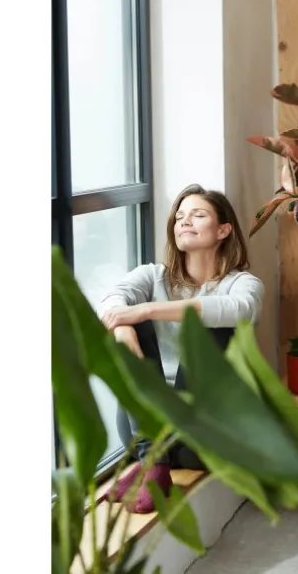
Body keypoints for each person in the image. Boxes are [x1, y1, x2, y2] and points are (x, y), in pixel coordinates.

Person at [97, 183, 264, 513]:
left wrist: (146, 310)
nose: (184, 221)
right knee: (127, 321)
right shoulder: (152, 276)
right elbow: (111, 301)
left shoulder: (242, 284)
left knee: (211, 328)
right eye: (179, 217)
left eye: (198, 215)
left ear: (223, 230)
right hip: (144, 428)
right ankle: (153, 462)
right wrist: (124, 328)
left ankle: (152, 464)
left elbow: (238, 309)